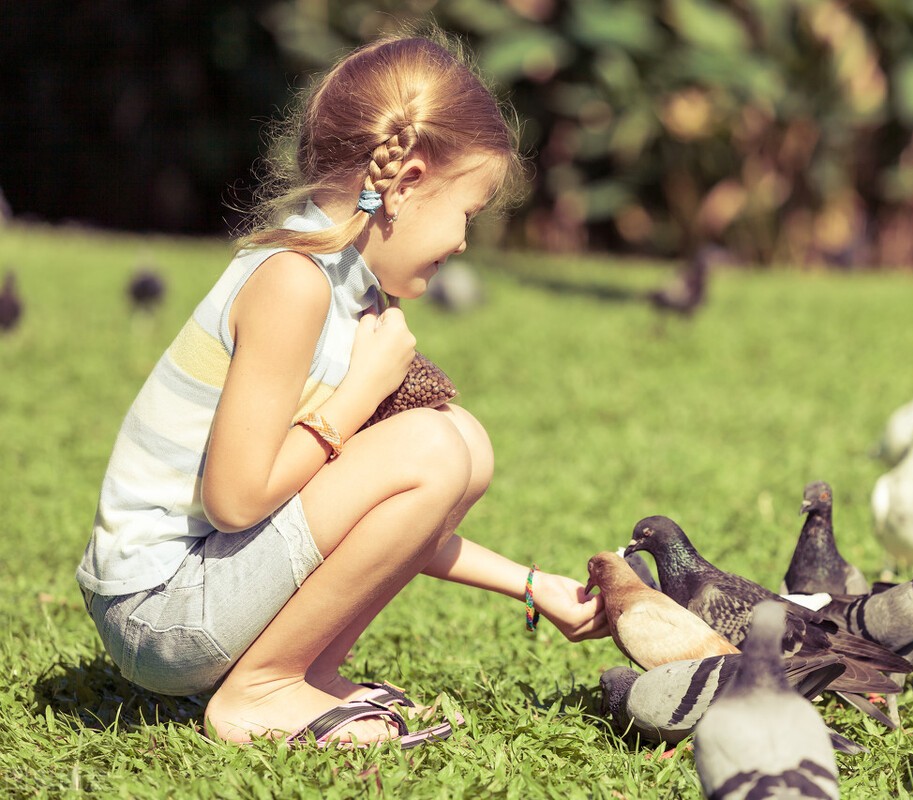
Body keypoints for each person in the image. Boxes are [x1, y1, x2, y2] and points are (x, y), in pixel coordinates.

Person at [76, 32, 608, 747]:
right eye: (467, 215)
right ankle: (258, 693)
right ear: (408, 180)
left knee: (463, 445)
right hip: (159, 612)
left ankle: (306, 673)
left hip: (208, 587)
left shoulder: (349, 288)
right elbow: (235, 499)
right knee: (432, 445)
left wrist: (531, 583)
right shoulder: (293, 282)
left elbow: (384, 517)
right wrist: (359, 394)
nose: (461, 243)